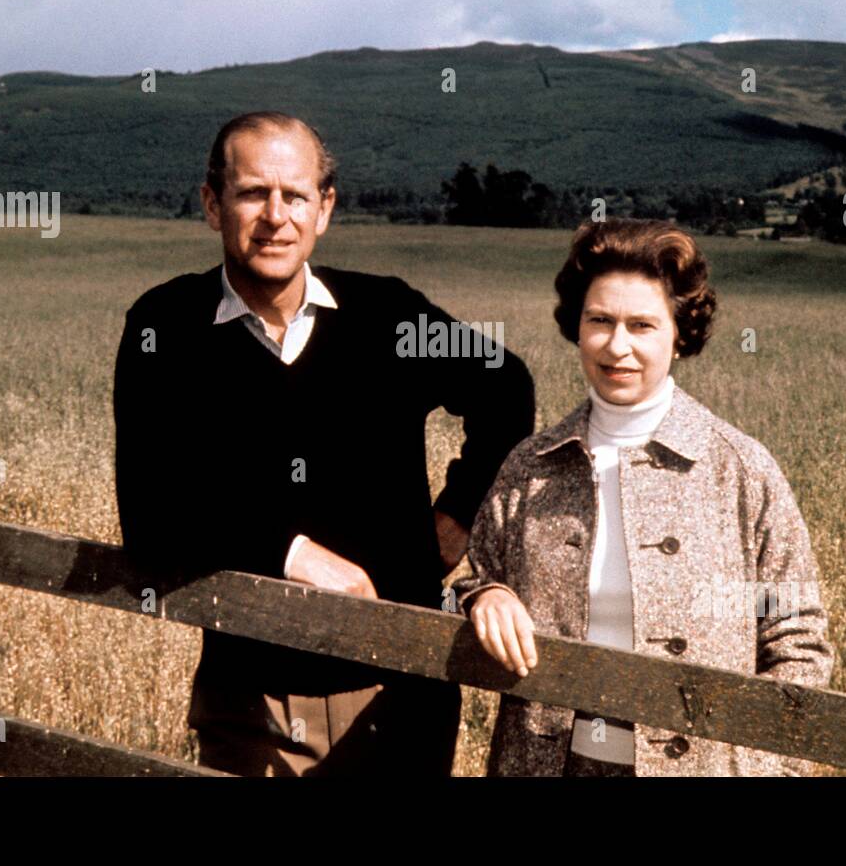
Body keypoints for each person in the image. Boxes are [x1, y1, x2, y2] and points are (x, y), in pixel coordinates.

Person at [113, 111, 535, 776]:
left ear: (325, 208)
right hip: (257, 696)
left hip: (404, 685)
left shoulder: (389, 317)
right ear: (211, 203)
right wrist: (291, 552)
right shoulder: (166, 328)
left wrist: (458, 515)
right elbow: (150, 515)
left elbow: (507, 389)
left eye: (295, 195)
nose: (275, 216)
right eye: (252, 193)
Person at [454, 217, 834, 776]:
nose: (618, 346)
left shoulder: (741, 469)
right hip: (550, 764)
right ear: (576, 326)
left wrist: (763, 767)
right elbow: (475, 576)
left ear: (679, 335)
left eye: (643, 325)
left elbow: (798, 641)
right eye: (600, 321)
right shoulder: (529, 466)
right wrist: (485, 595)